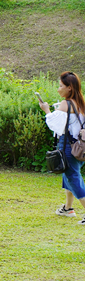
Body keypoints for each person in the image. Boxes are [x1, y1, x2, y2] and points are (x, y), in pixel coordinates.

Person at [39, 72, 85, 221]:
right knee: (69, 175)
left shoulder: (67, 103)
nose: (58, 89)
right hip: (80, 146)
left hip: (69, 146)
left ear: (69, 88)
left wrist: (46, 110)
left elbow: (56, 126)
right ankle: (68, 208)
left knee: (73, 177)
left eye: (60, 86)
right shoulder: (81, 103)